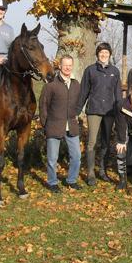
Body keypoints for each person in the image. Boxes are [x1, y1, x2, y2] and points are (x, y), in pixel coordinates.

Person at [77, 42, 122, 186]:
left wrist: (120, 111)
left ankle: (103, 171)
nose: (104, 55)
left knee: (106, 142)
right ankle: (90, 173)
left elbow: (118, 94)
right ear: (97, 54)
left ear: (110, 54)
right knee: (91, 142)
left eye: (106, 53)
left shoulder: (115, 71)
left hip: (109, 112)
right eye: (101, 52)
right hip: (94, 110)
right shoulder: (90, 70)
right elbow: (83, 91)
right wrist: (78, 110)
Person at [39, 55, 82, 193]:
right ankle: (52, 182)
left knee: (76, 156)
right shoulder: (51, 85)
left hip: (71, 125)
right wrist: (45, 123)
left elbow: (79, 102)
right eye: (65, 65)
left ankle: (72, 180)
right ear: (60, 66)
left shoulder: (76, 84)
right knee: (52, 158)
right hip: (54, 125)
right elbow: (43, 105)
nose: (68, 67)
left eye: (70, 65)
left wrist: (76, 113)